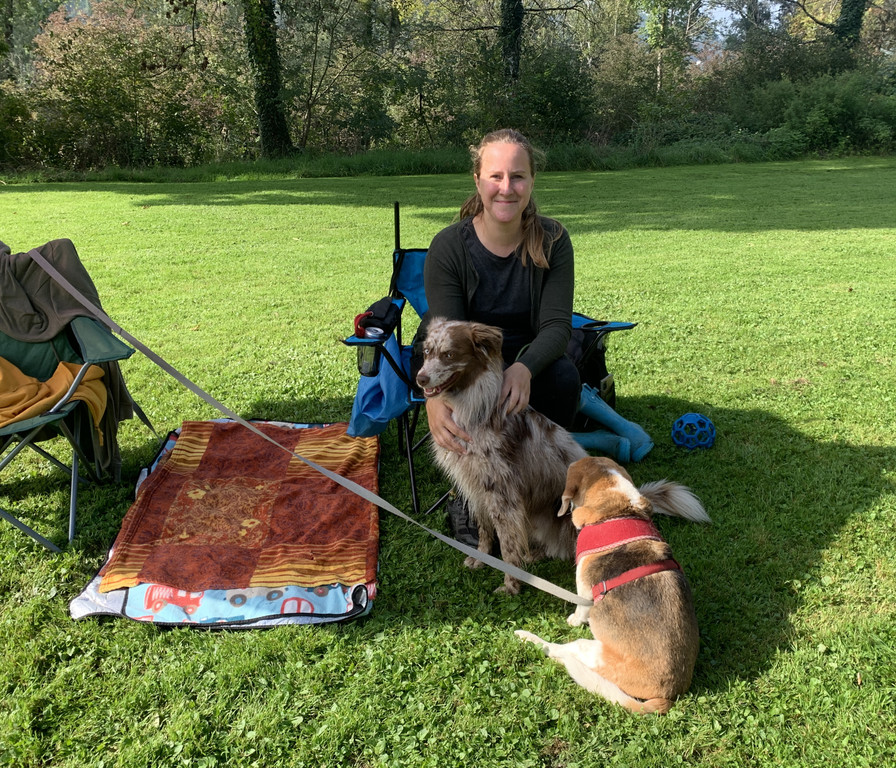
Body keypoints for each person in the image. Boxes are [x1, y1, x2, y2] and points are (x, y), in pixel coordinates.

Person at [418, 128, 581, 455]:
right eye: (495, 176)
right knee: (468, 389)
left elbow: (556, 327)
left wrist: (524, 368)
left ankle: (544, 460)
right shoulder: (448, 246)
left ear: (532, 181)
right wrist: (434, 396)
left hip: (524, 355)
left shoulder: (553, 240)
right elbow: (446, 334)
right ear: (478, 181)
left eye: (517, 177)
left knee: (563, 378)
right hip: (465, 359)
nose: (506, 188)